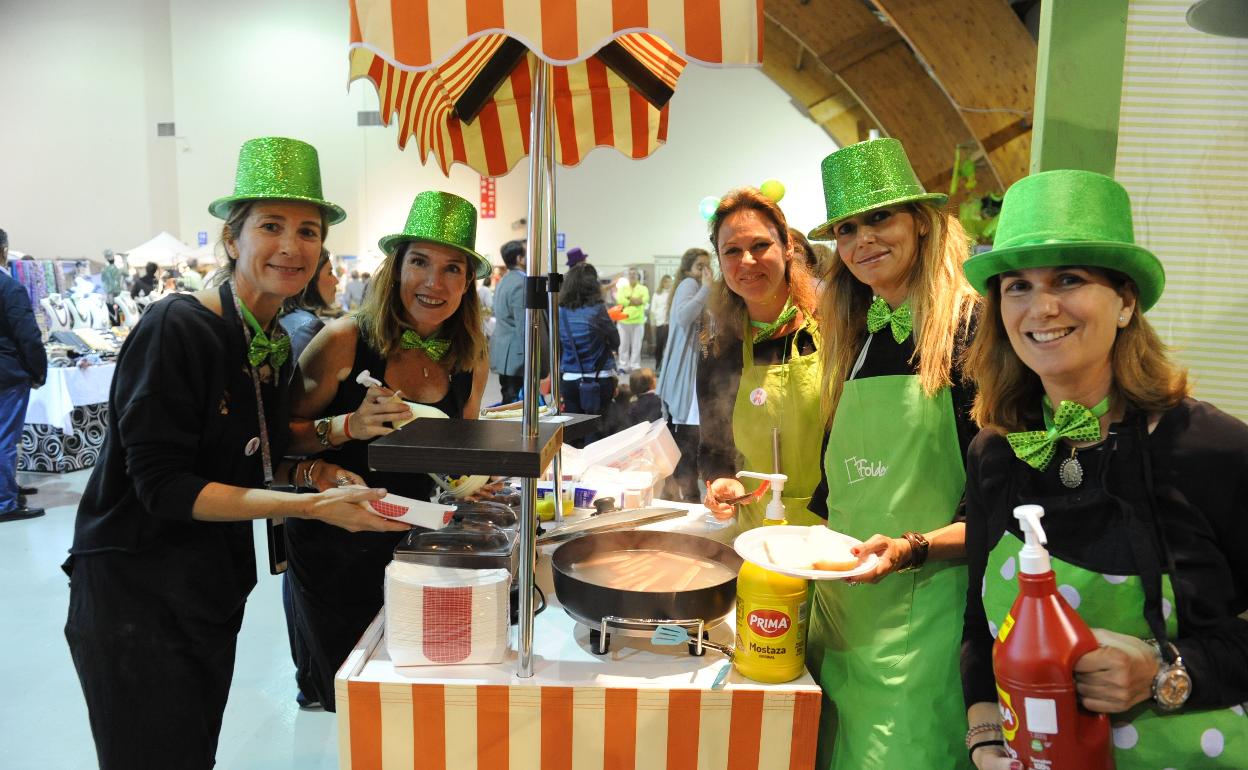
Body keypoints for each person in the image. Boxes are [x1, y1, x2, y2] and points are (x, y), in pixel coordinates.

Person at [63, 137, 404, 770]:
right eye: (270, 226)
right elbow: (163, 486)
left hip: (208, 587)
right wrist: (307, 508)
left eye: (308, 231)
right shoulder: (178, 328)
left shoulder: (268, 341)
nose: (291, 246)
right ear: (231, 239)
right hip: (135, 589)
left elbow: (261, 454)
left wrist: (324, 461)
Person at [959, 170, 1248, 769]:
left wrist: (1167, 671)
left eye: (1069, 279)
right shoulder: (996, 453)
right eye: (1017, 286)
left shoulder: (1211, 450)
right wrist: (985, 741)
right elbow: (980, 630)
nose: (1042, 307)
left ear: (1126, 302)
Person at [804, 138, 979, 769]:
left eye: (880, 218)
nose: (863, 241)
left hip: (928, 616)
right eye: (847, 229)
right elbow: (839, 485)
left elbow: (998, 503)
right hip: (843, 614)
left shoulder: (972, 330)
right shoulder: (857, 335)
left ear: (922, 222)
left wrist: (911, 548)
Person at [286, 190, 490, 711]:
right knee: (351, 695)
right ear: (395, 268)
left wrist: (475, 478)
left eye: (452, 269)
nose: (433, 282)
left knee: (412, 689)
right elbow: (282, 438)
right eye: (419, 262)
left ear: (467, 283)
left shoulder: (469, 356)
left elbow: (462, 447)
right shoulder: (345, 339)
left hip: (418, 543)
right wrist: (348, 426)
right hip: (336, 545)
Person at [697, 188, 824, 531]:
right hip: (754, 533)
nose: (747, 262)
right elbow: (713, 447)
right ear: (720, 261)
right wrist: (722, 481)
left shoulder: (830, 330)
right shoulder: (718, 347)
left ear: (788, 247)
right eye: (732, 251)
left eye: (759, 245)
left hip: (830, 529)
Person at [657, 247, 712, 502]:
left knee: (686, 440)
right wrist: (706, 289)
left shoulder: (693, 286)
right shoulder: (690, 285)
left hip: (691, 374)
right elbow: (683, 317)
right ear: (688, 269)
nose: (705, 271)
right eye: (700, 266)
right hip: (685, 377)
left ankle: (678, 494)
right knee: (687, 440)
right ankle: (688, 496)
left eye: (707, 266)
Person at [0, 228, 47, 522]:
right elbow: (28, 335)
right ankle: (5, 502)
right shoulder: (9, 288)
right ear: (4, 251)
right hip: (7, 375)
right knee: (5, 439)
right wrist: (38, 371)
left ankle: (7, 490)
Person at [557, 261, 618, 445]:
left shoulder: (561, 311)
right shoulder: (597, 310)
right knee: (596, 433)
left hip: (569, 378)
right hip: (598, 379)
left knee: (573, 433)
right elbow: (615, 341)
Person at [278, 247, 340, 365]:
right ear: (311, 279)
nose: (336, 281)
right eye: (330, 273)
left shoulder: (290, 316)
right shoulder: (309, 327)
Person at [491, 239, 528, 403]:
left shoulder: (503, 281)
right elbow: (523, 325)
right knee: (515, 401)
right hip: (516, 353)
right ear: (520, 258)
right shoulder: (522, 282)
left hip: (503, 351)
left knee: (507, 395)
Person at [614, 268, 649, 373]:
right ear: (627, 276)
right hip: (623, 321)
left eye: (634, 274)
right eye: (630, 274)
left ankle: (635, 365)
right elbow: (620, 301)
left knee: (636, 345)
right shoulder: (622, 288)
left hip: (638, 321)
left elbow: (645, 300)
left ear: (638, 276)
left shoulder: (643, 288)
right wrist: (636, 300)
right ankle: (623, 365)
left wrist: (629, 298)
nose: (632, 275)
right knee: (623, 345)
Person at [651, 274, 673, 372]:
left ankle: (667, 367)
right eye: (666, 282)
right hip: (660, 323)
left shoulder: (672, 294)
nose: (668, 284)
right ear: (662, 283)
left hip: (670, 323)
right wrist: (656, 320)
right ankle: (658, 366)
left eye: (670, 282)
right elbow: (653, 309)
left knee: (668, 346)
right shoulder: (657, 294)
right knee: (659, 346)